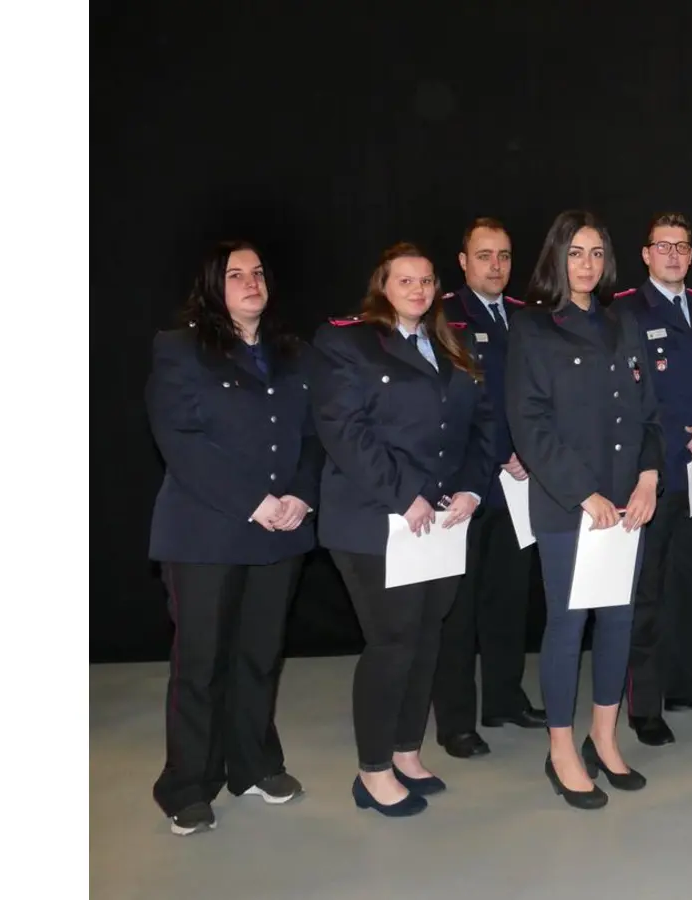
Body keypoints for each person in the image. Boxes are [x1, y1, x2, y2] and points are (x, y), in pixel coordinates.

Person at [310, 242, 495, 818]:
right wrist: (403, 494)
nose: (417, 290)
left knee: (427, 635)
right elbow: (344, 430)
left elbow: (481, 423)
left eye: (426, 281)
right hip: (374, 519)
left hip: (438, 519)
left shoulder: (450, 341)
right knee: (392, 641)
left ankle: (406, 749)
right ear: (382, 287)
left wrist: (471, 485)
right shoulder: (347, 342)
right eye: (404, 281)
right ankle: (372, 771)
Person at [146, 240, 321, 836]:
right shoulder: (181, 349)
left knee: (259, 656)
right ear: (213, 287)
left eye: (258, 273)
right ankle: (186, 785)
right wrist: (254, 501)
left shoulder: (293, 353)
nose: (251, 282)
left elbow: (314, 434)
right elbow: (182, 441)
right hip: (206, 534)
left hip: (281, 531)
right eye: (236, 275)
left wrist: (301, 493)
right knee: (200, 664)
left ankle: (253, 765)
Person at [505, 210, 663, 810]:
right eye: (575, 253)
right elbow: (530, 424)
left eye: (596, 253)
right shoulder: (534, 328)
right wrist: (583, 493)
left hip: (628, 504)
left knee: (619, 621)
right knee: (569, 627)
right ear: (556, 258)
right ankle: (562, 747)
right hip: (570, 505)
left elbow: (649, 412)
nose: (587, 264)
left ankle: (603, 734)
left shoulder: (625, 324)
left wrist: (648, 479)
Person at [612, 212, 692, 749]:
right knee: (646, 591)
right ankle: (644, 703)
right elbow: (623, 398)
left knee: (689, 584)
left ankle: (686, 684)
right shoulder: (622, 311)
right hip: (650, 474)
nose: (673, 255)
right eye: (663, 246)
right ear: (645, 254)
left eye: (681, 247)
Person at [431, 217, 547, 762]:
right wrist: (501, 450)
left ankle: (505, 697)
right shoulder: (442, 316)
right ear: (462, 261)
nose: (495, 266)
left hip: (521, 486)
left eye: (503, 256)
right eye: (484, 256)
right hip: (465, 483)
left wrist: (531, 450)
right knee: (458, 608)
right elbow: (449, 403)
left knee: (508, 598)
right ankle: (456, 720)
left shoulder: (526, 317)